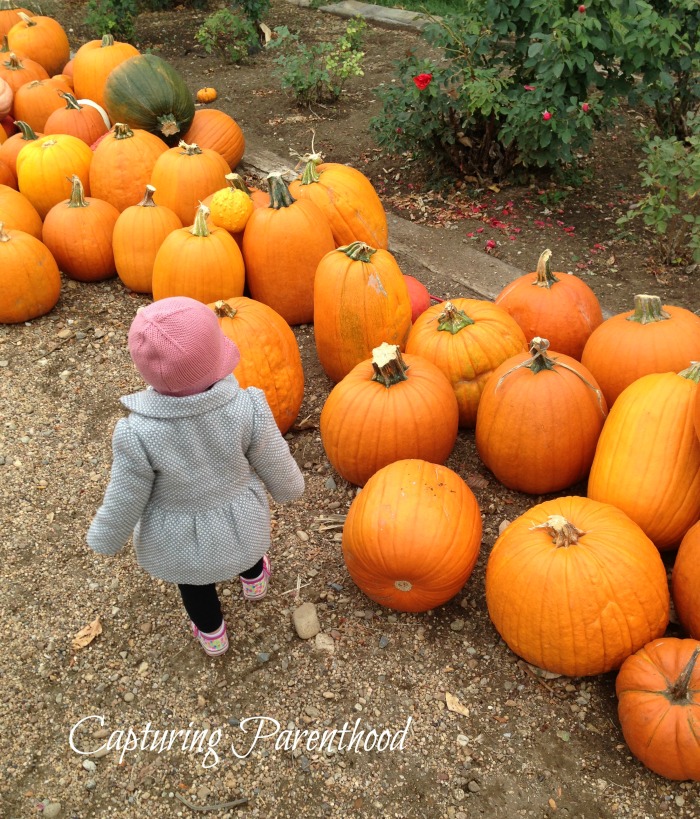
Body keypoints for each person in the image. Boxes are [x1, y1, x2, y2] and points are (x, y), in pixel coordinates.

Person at [86, 296, 305, 656]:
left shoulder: (137, 433)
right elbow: (271, 455)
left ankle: (213, 633)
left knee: (193, 584)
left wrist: (106, 537)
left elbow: (125, 495)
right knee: (249, 550)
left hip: (179, 537)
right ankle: (254, 583)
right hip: (240, 517)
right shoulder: (245, 406)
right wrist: (289, 486)